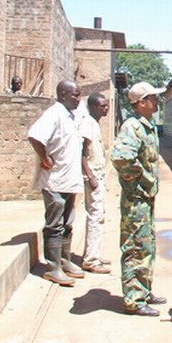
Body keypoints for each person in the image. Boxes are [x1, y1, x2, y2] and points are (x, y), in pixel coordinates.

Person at [111, 81, 167, 316]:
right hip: (136, 199)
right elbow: (121, 158)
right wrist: (142, 178)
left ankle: (144, 290)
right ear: (142, 102)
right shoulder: (132, 127)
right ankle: (134, 299)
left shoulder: (147, 125)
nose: (157, 101)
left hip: (145, 198)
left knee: (146, 245)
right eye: (153, 98)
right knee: (136, 246)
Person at [28, 80, 85, 286]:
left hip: (69, 181)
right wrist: (45, 159)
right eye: (75, 95)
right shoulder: (54, 114)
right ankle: (52, 268)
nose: (78, 99)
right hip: (55, 181)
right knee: (55, 225)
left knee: (67, 224)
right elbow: (35, 136)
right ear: (63, 94)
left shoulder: (70, 116)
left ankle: (64, 261)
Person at [79, 92, 112, 274]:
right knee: (95, 216)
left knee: (99, 215)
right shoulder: (87, 123)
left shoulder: (94, 123)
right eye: (102, 105)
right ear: (93, 107)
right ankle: (91, 260)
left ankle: (94, 254)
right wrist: (90, 175)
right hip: (93, 176)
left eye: (106, 105)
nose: (106, 108)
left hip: (97, 174)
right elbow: (82, 152)